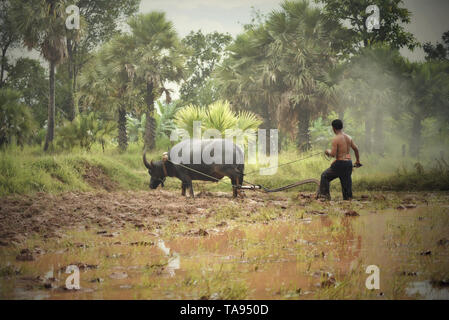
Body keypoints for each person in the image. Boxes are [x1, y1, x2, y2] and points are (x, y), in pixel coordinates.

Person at [317, 119, 361, 201]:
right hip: (348, 164)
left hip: (340, 164)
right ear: (341, 127)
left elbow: (333, 154)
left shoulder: (336, 139)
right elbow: (356, 149)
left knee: (325, 176)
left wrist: (327, 151)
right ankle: (348, 199)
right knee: (346, 184)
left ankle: (324, 197)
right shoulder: (349, 137)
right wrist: (357, 160)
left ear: (333, 128)